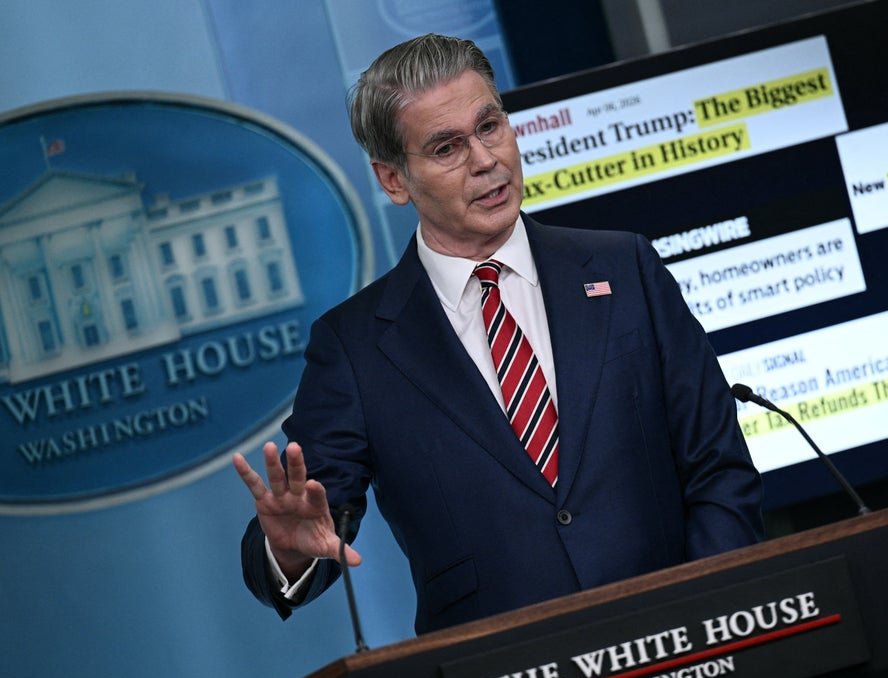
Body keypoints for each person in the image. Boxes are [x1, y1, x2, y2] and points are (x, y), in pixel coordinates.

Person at [233, 33, 764, 635]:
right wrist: (291, 548)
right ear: (393, 180)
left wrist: (714, 613)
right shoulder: (355, 348)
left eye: (490, 127)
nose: (486, 160)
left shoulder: (625, 269)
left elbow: (718, 465)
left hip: (688, 644)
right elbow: (309, 518)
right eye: (446, 147)